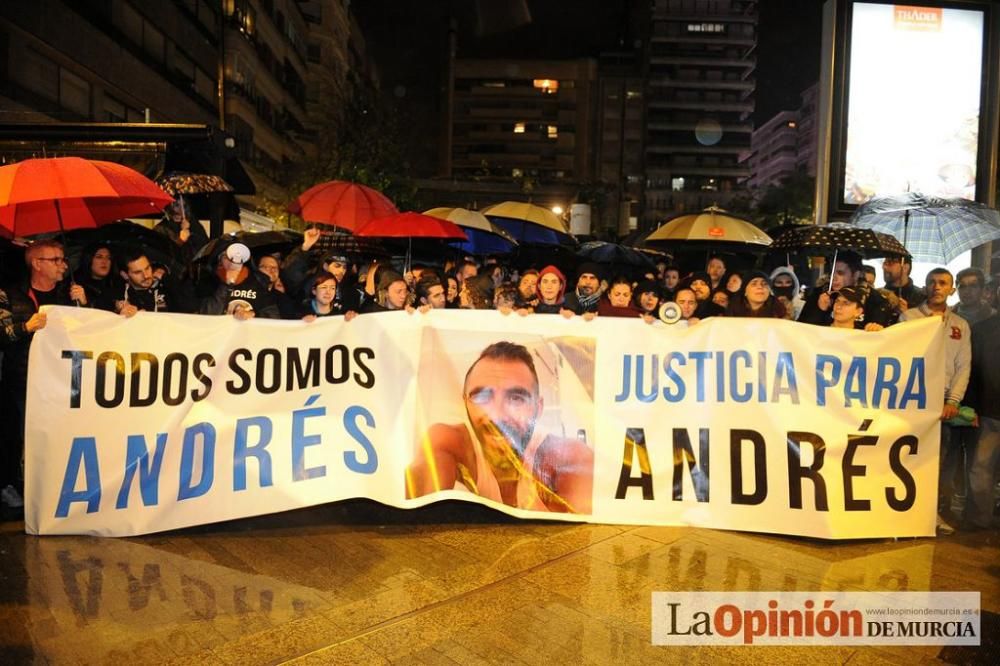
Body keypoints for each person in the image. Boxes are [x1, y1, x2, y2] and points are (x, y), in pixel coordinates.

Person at [406, 341, 593, 513]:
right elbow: (414, 509)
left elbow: (582, 540)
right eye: (482, 397)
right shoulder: (449, 441)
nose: (497, 415)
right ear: (466, 403)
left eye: (516, 398)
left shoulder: (567, 458)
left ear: (538, 408)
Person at [900, 268, 971, 534]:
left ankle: (933, 514)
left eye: (943, 283)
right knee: (910, 458)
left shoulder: (960, 325)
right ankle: (904, 512)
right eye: (932, 282)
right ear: (925, 287)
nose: (936, 286)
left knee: (939, 463)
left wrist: (953, 400)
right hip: (914, 399)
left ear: (952, 290)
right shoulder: (909, 318)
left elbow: (964, 365)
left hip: (944, 402)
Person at [965, 290, 1000, 530]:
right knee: (981, 470)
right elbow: (973, 370)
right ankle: (981, 520)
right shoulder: (983, 329)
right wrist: (973, 407)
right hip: (990, 412)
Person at [798, 252, 894, 328]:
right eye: (832, 272)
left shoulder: (873, 299)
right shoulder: (819, 294)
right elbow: (801, 329)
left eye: (840, 273)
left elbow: (879, 335)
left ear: (856, 275)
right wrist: (819, 310)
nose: (834, 277)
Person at [198, 242, 279, 320]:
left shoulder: (258, 281)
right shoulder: (210, 281)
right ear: (220, 260)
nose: (232, 261)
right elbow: (208, 315)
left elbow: (272, 316)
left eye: (237, 257)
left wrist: (253, 315)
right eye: (227, 257)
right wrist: (226, 285)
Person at [112, 249, 194, 316]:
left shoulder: (165, 285)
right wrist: (120, 315)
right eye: (137, 272)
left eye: (147, 268)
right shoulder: (119, 292)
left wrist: (168, 279)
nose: (146, 275)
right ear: (125, 275)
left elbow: (190, 308)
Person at [73, 243, 118, 312]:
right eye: (99, 257)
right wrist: (84, 304)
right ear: (88, 259)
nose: (104, 261)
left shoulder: (117, 282)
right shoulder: (76, 285)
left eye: (108, 258)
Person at [257, 254, 298, 319]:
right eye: (266, 267)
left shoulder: (283, 298)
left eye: (275, 268)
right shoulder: (246, 293)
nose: (272, 270)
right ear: (257, 270)